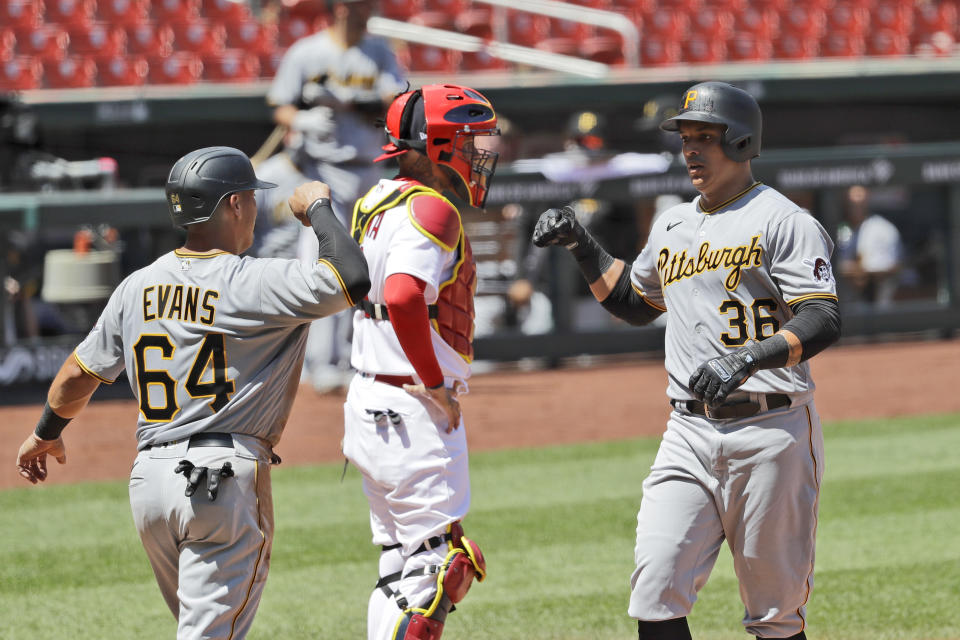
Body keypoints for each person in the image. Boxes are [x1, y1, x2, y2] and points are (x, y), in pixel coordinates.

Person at [15, 146, 370, 639]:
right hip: (220, 482)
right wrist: (318, 208)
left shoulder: (136, 286)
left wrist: (45, 434)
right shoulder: (255, 281)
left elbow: (78, 375)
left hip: (150, 486)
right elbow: (352, 277)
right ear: (234, 205)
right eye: (248, 197)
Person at [533, 82, 842, 640]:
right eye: (685, 138)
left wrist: (748, 358)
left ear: (743, 142)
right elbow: (635, 301)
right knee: (654, 597)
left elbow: (822, 318)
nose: (691, 150)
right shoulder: (672, 223)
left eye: (706, 137)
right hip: (687, 434)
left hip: (771, 431)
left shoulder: (783, 220)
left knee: (774, 616)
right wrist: (582, 244)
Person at [343, 83, 498, 640]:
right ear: (438, 143)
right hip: (412, 406)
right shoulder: (431, 209)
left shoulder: (375, 200)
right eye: (471, 140)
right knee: (441, 562)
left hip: (368, 399)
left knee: (398, 562)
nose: (480, 153)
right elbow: (406, 295)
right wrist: (435, 384)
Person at [257, 0, 406, 393]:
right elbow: (281, 106)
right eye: (359, 4)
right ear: (339, 7)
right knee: (324, 266)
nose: (366, 10)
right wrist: (303, 117)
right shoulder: (307, 51)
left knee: (371, 267)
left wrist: (343, 102)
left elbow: (396, 104)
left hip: (370, 169)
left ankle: (358, 358)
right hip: (323, 173)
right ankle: (321, 362)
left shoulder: (379, 51)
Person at [836, 184, 903, 308]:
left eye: (860, 202)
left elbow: (889, 268)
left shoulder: (883, 229)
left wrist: (851, 270)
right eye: (852, 203)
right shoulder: (835, 229)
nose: (856, 207)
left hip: (877, 304)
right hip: (842, 305)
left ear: (868, 200)